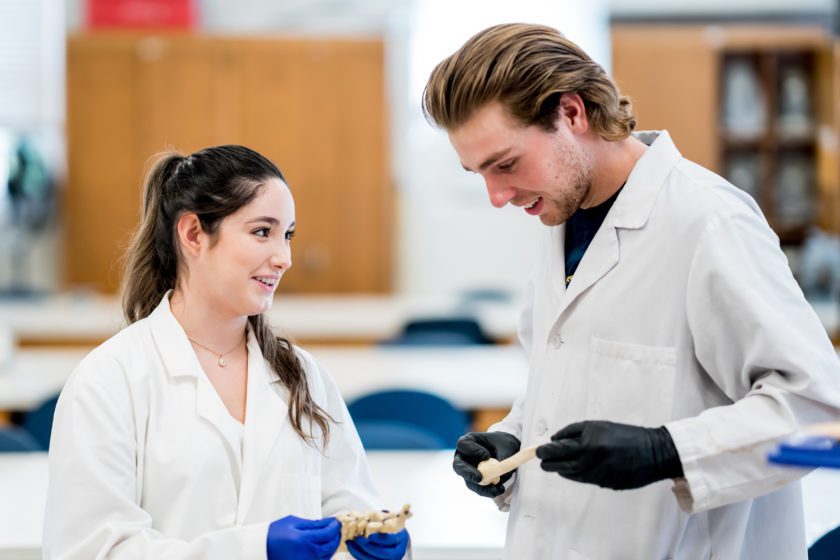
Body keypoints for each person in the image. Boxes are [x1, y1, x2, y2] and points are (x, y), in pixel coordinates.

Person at [423, 23, 840, 559]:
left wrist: (666, 451)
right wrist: (513, 439)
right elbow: (574, 383)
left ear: (571, 113)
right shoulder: (562, 224)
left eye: (505, 164)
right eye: (478, 173)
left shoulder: (708, 222)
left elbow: (814, 408)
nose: (497, 196)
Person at [44, 145, 409, 560]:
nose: (284, 257)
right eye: (261, 232)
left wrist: (376, 537)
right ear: (194, 234)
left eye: (287, 235)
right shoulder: (109, 380)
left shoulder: (302, 376)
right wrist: (254, 550)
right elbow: (92, 550)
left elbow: (347, 505)